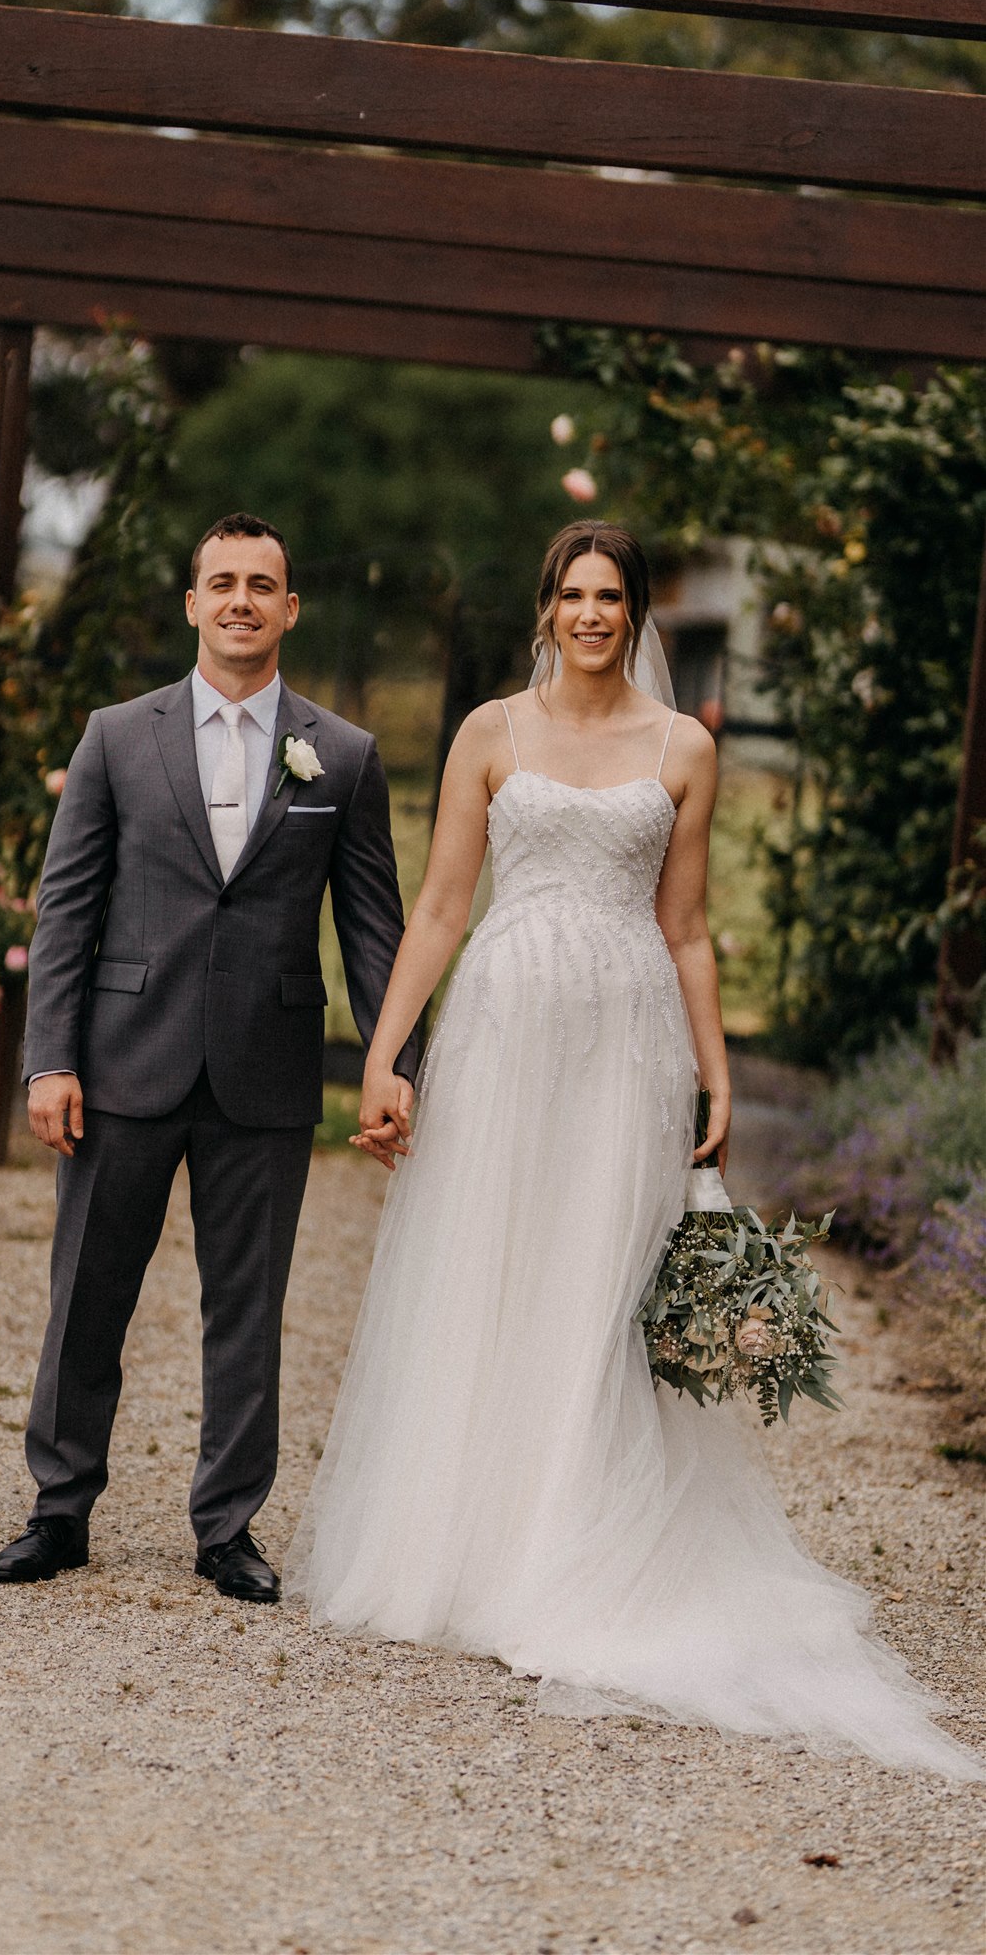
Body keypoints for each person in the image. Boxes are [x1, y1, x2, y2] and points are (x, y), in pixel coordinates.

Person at [287, 519, 983, 1778]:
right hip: (502, 1030)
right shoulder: (490, 732)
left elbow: (692, 926)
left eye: (613, 596)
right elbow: (443, 903)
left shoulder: (685, 746)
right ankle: (470, 1543)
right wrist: (389, 1052)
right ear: (546, 607)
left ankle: (579, 1544)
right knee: (490, 1267)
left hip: (626, 1042)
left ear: (638, 612)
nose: (593, 614)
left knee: (601, 1284)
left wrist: (715, 1068)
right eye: (573, 593)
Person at [0, 511, 417, 1602]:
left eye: (261, 583)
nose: (240, 599)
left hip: (267, 1075)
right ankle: (59, 1507)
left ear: (288, 606)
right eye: (220, 580)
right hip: (123, 1059)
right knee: (88, 1293)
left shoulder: (346, 755)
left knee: (249, 1310)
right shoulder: (115, 736)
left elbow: (374, 931)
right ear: (192, 603)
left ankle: (226, 1525)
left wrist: (396, 1062)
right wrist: (50, 1058)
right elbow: (66, 907)